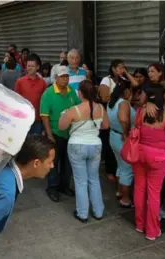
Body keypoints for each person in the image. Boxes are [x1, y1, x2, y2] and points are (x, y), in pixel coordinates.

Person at [58, 80, 109, 222]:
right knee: (94, 179)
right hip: (95, 145)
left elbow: (62, 126)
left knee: (80, 181)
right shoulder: (100, 108)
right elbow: (105, 126)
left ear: (80, 93)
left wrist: (64, 114)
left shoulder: (74, 110)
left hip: (77, 145)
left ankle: (83, 213)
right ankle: (98, 211)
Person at [132, 85, 165, 240]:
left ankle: (139, 224)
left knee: (139, 189)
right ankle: (152, 231)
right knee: (154, 194)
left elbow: (136, 129)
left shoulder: (140, 112)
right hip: (158, 158)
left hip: (140, 154)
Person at [40, 66, 79, 202]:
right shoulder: (48, 93)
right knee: (53, 164)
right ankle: (52, 188)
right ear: (55, 78)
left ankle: (64, 186)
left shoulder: (72, 92)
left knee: (68, 163)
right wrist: (49, 135)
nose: (65, 79)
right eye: (62, 77)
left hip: (71, 134)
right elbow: (44, 116)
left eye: (67, 76)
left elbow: (78, 108)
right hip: (55, 134)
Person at [106, 78, 135, 206]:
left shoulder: (112, 102)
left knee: (120, 166)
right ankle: (125, 198)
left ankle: (119, 191)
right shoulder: (123, 103)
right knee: (127, 170)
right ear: (126, 91)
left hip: (113, 136)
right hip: (122, 138)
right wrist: (125, 132)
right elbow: (123, 119)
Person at [14, 54, 46, 135]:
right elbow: (15, 100)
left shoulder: (42, 83)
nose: (30, 68)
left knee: (36, 144)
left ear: (37, 67)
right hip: (23, 119)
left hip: (38, 119)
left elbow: (45, 101)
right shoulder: (20, 82)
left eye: (32, 66)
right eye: (28, 65)